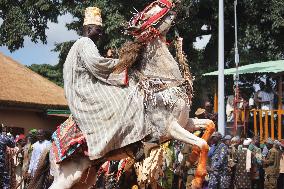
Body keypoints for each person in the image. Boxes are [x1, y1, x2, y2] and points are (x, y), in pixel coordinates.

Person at [63, 6, 148, 160]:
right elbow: (97, 65)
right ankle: (131, 143)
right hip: (85, 91)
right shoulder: (85, 43)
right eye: (98, 29)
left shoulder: (80, 44)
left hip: (81, 88)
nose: (101, 33)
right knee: (127, 96)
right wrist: (124, 63)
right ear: (88, 29)